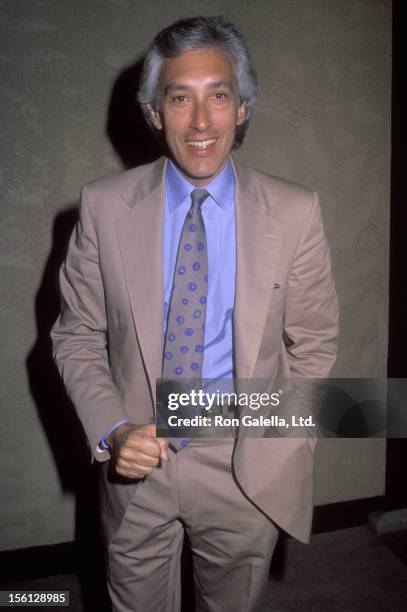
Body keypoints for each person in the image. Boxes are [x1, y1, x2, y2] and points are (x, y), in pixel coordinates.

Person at [51, 15, 339, 612]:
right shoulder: (103, 207)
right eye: (181, 98)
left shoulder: (296, 210)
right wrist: (112, 431)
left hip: (244, 463)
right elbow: (76, 335)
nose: (202, 121)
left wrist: (285, 444)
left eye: (219, 96)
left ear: (243, 109)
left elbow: (313, 343)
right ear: (155, 113)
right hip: (136, 461)